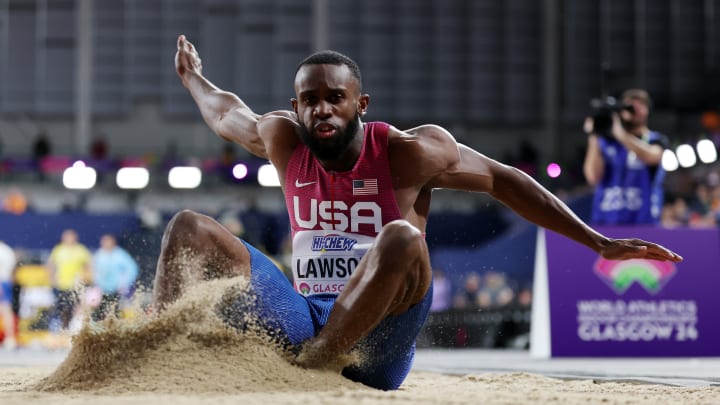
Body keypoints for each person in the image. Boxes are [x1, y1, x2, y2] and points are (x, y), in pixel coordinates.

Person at [154, 35, 682, 391]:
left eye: (335, 98)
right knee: (187, 228)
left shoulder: (411, 151)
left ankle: (319, 366)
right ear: (295, 108)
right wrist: (192, 79)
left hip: (380, 343)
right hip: (307, 315)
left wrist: (598, 243)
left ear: (361, 105)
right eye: (308, 100)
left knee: (402, 237)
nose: (321, 109)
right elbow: (226, 112)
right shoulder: (281, 140)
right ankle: (153, 354)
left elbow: (504, 180)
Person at [582, 89, 668, 225]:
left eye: (640, 106)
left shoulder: (655, 140)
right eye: (629, 106)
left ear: (647, 111)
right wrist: (594, 136)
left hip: (643, 221)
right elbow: (593, 177)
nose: (634, 110)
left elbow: (652, 157)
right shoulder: (605, 142)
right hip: (606, 220)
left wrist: (620, 134)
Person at [46, 229, 92, 331]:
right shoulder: (58, 250)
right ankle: (64, 329)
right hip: (62, 284)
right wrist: (52, 278)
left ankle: (76, 329)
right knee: (63, 309)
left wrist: (85, 278)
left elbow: (89, 265)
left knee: (77, 308)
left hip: (76, 285)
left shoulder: (81, 250)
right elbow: (50, 264)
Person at [91, 234, 139, 321]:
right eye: (104, 242)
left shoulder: (120, 255)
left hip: (117, 289)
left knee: (116, 311)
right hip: (102, 290)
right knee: (98, 312)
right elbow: (95, 270)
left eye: (107, 241)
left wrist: (124, 283)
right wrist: (97, 283)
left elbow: (132, 269)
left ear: (113, 242)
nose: (105, 244)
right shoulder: (99, 255)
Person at [0, 240, 17, 349]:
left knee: (5, 310)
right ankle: (10, 338)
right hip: (6, 281)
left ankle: (10, 338)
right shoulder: (8, 250)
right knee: (6, 310)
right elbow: (13, 271)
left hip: (1, 281)